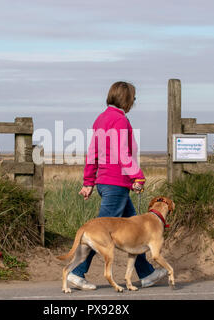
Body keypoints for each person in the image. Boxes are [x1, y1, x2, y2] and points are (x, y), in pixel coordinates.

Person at [68, 81, 167, 290]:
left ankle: (147, 274)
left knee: (134, 231)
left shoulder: (100, 119)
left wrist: (88, 182)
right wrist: (137, 177)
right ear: (127, 99)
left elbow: (93, 153)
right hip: (116, 183)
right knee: (100, 232)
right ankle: (76, 273)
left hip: (105, 182)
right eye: (134, 98)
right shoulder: (120, 120)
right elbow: (123, 153)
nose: (134, 102)